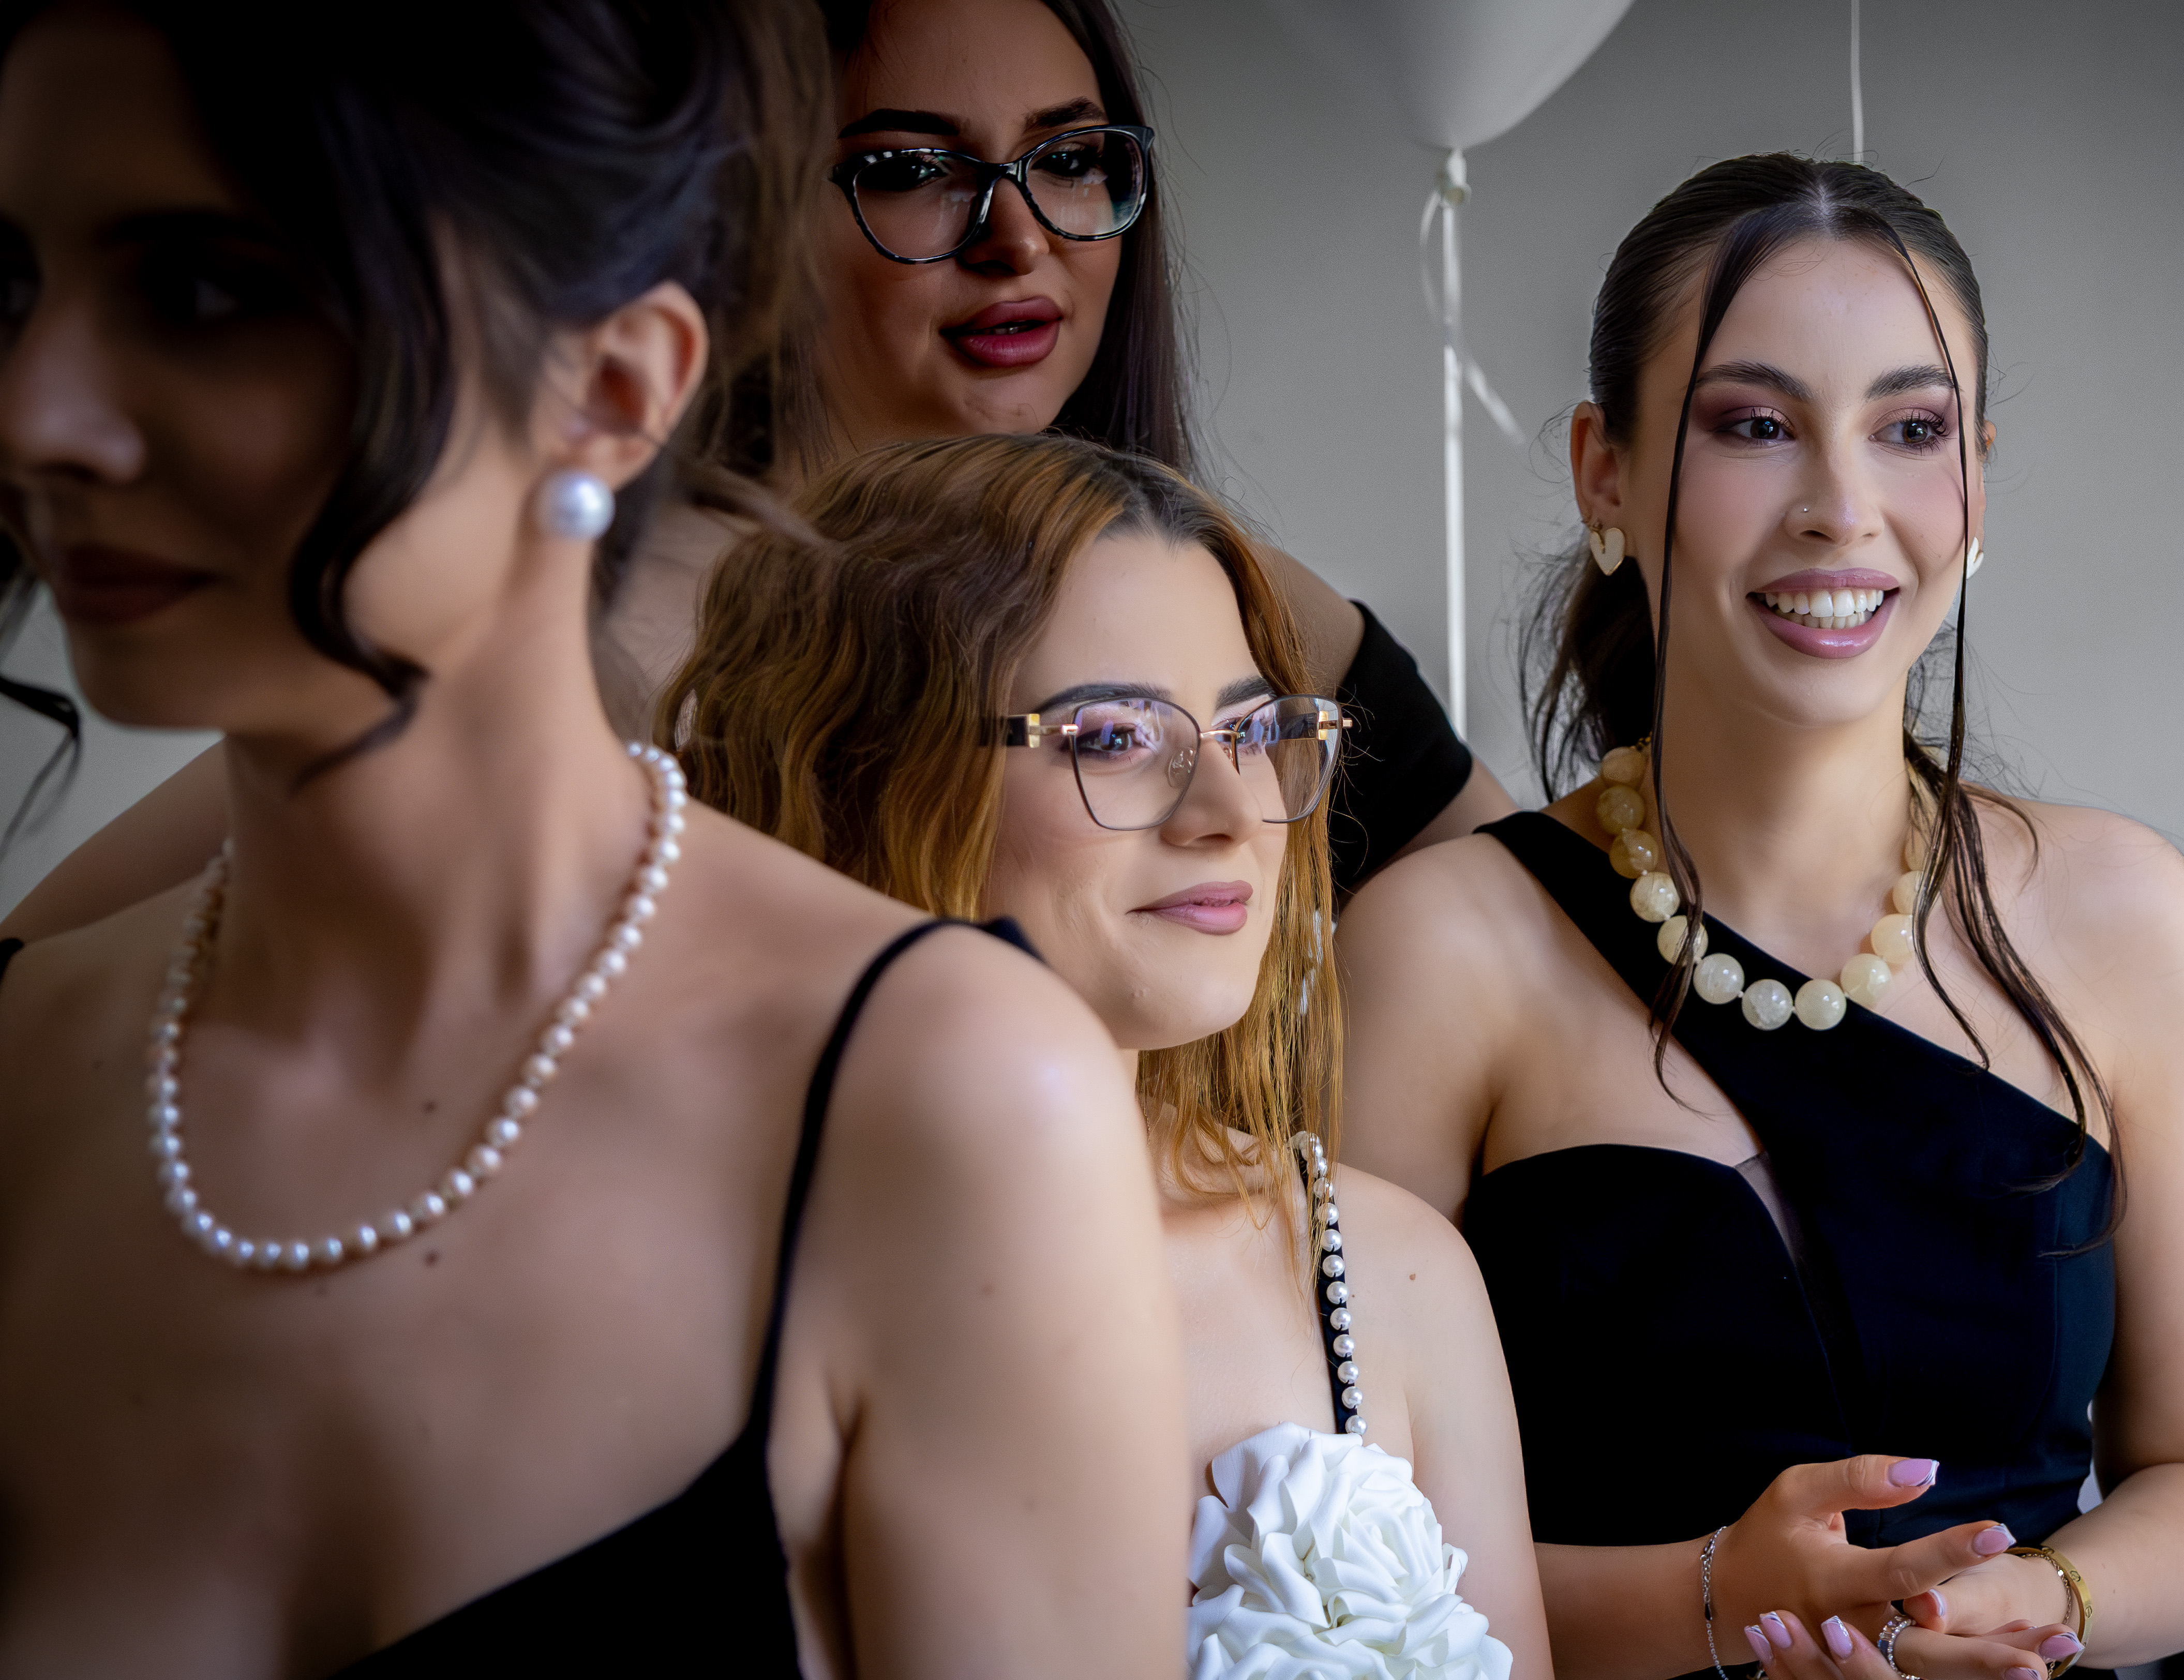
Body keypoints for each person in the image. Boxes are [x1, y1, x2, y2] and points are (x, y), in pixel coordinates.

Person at [0, 4, 1184, 1672]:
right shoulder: (26, 1073)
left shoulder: (945, 1099)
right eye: (12, 289)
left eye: (205, 290)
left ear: (616, 389)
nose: (39, 414)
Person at [1336, 156, 2184, 1680]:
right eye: (1755, 425)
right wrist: (1718, 1595)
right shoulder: (1436, 951)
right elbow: (1338, 1554)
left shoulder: (2125, 917)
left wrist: (2029, 1606)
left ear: (1976, 481)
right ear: (1603, 471)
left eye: (1910, 431)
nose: (1843, 512)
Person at [0, 0, 1505, 944]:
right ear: (751, 222)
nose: (1017, 238)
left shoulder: (1237, 603)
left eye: (1070, 158)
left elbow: (1507, 919)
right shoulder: (592, 622)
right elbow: (52, 956)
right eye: (910, 171)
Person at [665, 430, 1545, 1678]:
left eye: (1253, 731)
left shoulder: (1383, 1267)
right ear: (865, 768)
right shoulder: (698, 1276)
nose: (1231, 815)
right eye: (1114, 738)